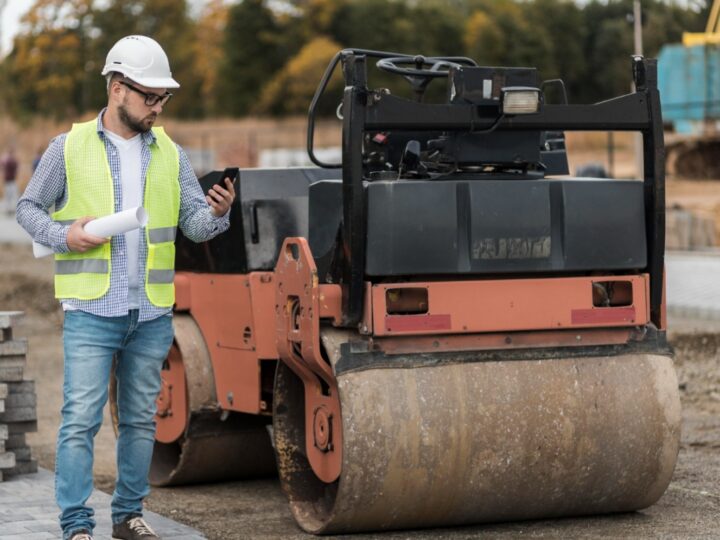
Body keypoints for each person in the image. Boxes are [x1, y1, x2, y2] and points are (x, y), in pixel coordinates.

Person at [17, 35, 236, 540]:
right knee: (79, 422)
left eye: (164, 99)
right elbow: (28, 208)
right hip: (92, 309)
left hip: (151, 312)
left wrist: (217, 214)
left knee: (140, 421)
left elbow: (193, 227)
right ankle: (76, 525)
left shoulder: (171, 154)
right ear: (117, 89)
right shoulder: (66, 147)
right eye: (150, 97)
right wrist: (62, 235)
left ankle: (128, 516)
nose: (158, 107)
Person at [1, 146, 18, 214]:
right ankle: (9, 208)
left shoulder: (5, 160)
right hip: (9, 180)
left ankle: (9, 208)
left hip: (10, 180)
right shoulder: (9, 160)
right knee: (10, 195)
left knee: (10, 195)